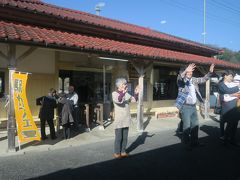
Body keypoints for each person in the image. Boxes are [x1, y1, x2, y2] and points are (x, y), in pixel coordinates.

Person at [175, 63, 214, 150]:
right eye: (188, 73)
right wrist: (185, 70)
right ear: (185, 73)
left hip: (193, 106)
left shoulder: (193, 80)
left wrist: (210, 72)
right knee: (187, 127)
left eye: (191, 72)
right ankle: (186, 144)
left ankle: (195, 142)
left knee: (195, 125)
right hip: (185, 107)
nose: (190, 74)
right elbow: (180, 78)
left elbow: (203, 79)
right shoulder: (181, 81)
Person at [112, 78, 139, 158]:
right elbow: (119, 100)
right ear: (119, 85)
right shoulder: (114, 93)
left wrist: (136, 93)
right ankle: (117, 153)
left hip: (126, 119)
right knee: (119, 137)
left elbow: (133, 100)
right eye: (124, 84)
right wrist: (123, 93)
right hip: (119, 120)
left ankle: (123, 151)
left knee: (125, 137)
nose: (126, 85)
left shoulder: (126, 94)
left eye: (125, 84)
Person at [218, 70, 240, 146]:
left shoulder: (232, 84)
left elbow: (236, 93)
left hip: (235, 106)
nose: (232, 78)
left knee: (235, 124)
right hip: (228, 107)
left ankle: (232, 139)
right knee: (230, 124)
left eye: (232, 76)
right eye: (230, 76)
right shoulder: (221, 84)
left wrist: (232, 94)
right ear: (225, 76)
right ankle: (226, 141)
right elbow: (227, 90)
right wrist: (236, 90)